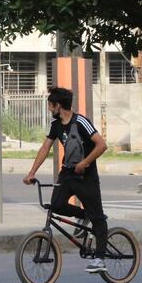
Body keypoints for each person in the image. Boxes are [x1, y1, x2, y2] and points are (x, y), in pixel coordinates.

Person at [23, 86, 109, 273]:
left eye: (50, 105)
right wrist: (31, 173)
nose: (48, 109)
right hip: (67, 174)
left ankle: (100, 259)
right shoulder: (55, 125)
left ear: (58, 106)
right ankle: (82, 216)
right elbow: (45, 148)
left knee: (98, 217)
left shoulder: (81, 122)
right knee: (56, 205)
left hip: (86, 176)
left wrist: (85, 162)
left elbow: (102, 145)